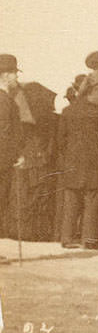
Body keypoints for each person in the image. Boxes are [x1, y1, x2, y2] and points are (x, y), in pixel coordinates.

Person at [57, 67, 98, 249]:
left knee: (71, 199)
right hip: (94, 162)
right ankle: (88, 239)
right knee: (92, 200)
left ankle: (66, 238)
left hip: (72, 162)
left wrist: (68, 156)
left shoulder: (68, 111)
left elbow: (60, 140)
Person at [0, 54, 24, 234]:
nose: (17, 77)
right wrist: (16, 155)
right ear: (5, 75)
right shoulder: (4, 100)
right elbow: (5, 131)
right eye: (15, 73)